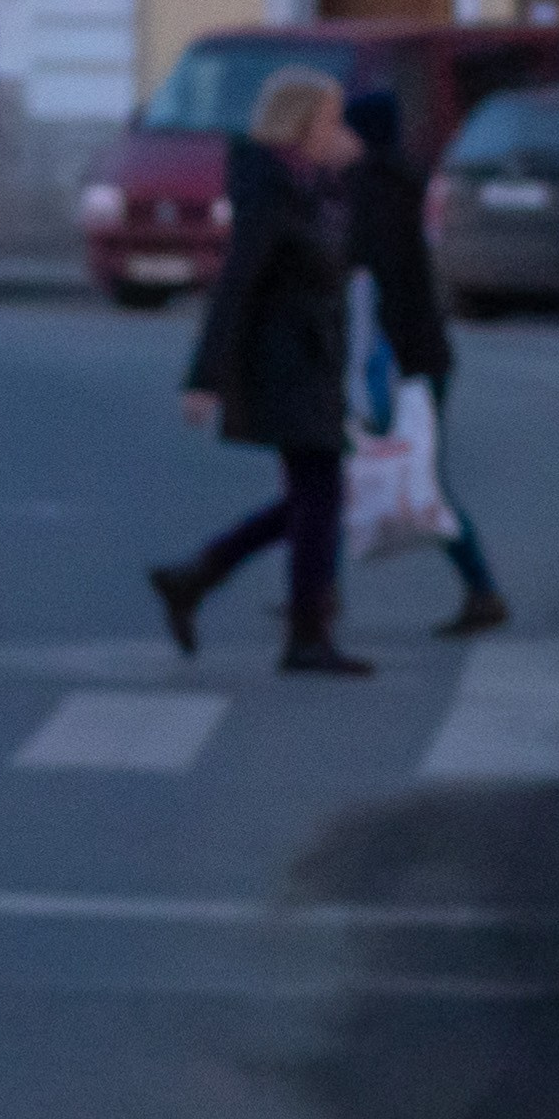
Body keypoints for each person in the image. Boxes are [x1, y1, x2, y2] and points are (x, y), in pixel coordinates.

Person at [149, 68, 374, 678]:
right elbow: (236, 285)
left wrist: (350, 172)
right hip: (284, 364)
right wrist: (204, 378)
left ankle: (198, 577)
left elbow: (346, 246)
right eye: (329, 120)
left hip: (312, 361)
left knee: (314, 497)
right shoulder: (271, 190)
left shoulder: (310, 185)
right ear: (300, 126)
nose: (339, 132)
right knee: (319, 495)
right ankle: (302, 633)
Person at [342, 87, 510, 637]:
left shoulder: (374, 190)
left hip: (401, 357)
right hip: (422, 351)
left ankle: (482, 589)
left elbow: (363, 266)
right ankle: (313, 591)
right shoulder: (403, 182)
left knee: (415, 476)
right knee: (383, 469)